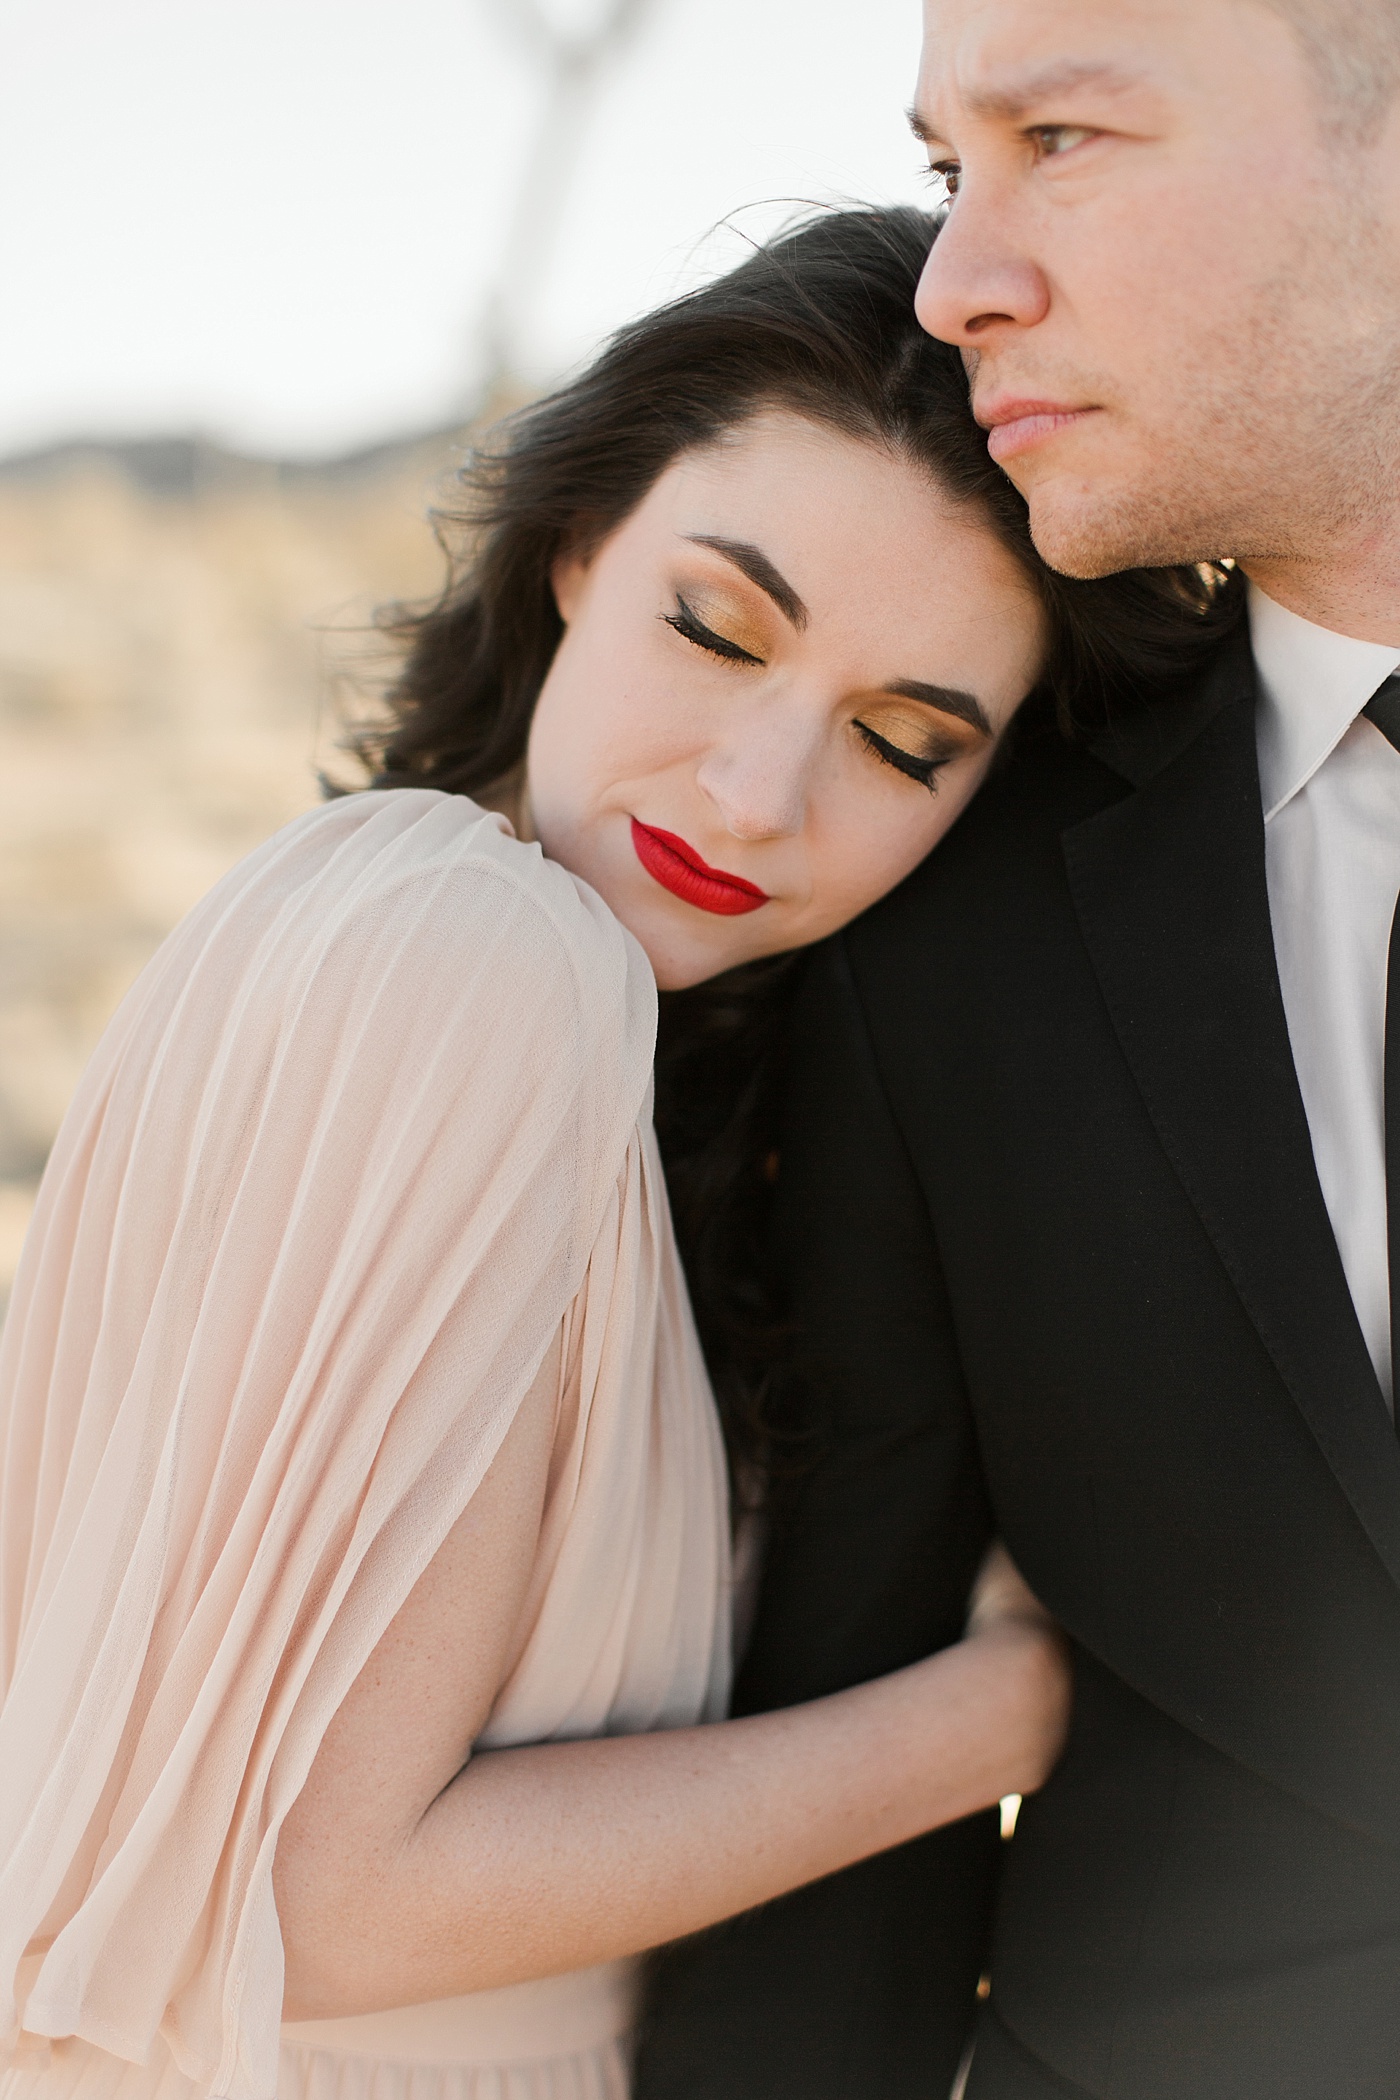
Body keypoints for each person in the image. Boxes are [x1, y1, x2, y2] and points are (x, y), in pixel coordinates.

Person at [0, 208, 1229, 2100]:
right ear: (578, 546)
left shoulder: (408, 957)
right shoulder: (483, 957)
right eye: (716, 629)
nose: (755, 795)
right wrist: (1010, 1707)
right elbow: (341, 1907)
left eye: (903, 744)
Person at [633, 8, 1400, 2100]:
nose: (952, 281)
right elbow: (840, 1779)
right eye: (944, 170)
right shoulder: (946, 909)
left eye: (1056, 137)